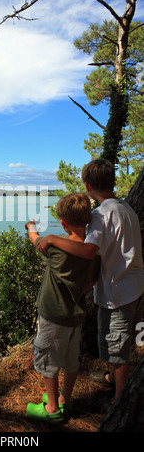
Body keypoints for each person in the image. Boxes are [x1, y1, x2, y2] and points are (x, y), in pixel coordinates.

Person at [37, 159, 144, 406]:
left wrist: (52, 238)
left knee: (116, 341)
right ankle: (112, 378)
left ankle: (118, 399)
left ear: (87, 185)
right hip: (132, 284)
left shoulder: (100, 215)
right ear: (113, 181)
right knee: (113, 335)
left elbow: (87, 251)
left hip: (119, 288)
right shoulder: (127, 209)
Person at [25, 192, 100, 423]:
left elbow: (35, 240)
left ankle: (52, 410)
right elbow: (91, 282)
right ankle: (65, 399)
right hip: (75, 316)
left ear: (63, 222)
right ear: (87, 221)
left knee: (48, 360)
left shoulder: (57, 250)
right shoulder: (92, 253)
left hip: (52, 315)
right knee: (70, 359)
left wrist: (30, 226)